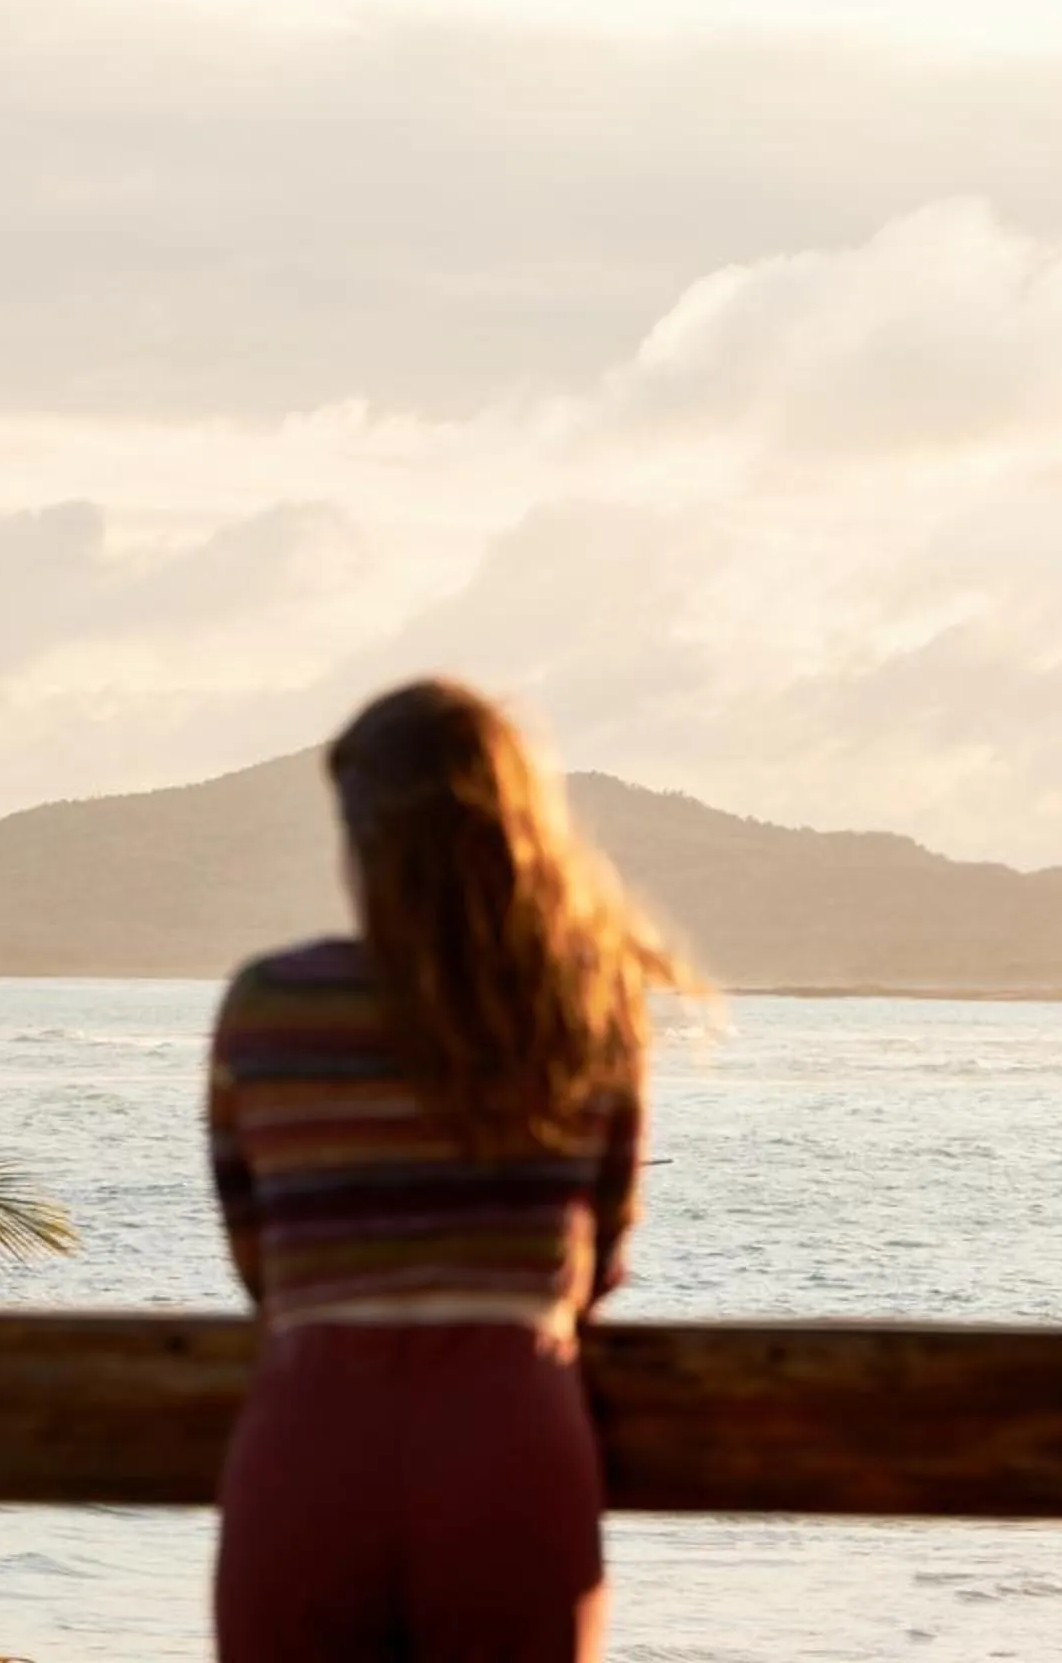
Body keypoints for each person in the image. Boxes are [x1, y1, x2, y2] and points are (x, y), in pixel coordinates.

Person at [207, 679, 690, 1662]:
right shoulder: (585, 1001)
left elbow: (261, 1256)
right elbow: (598, 1256)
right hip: (510, 1432)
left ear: (360, 838)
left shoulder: (271, 1006)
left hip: (313, 1432)